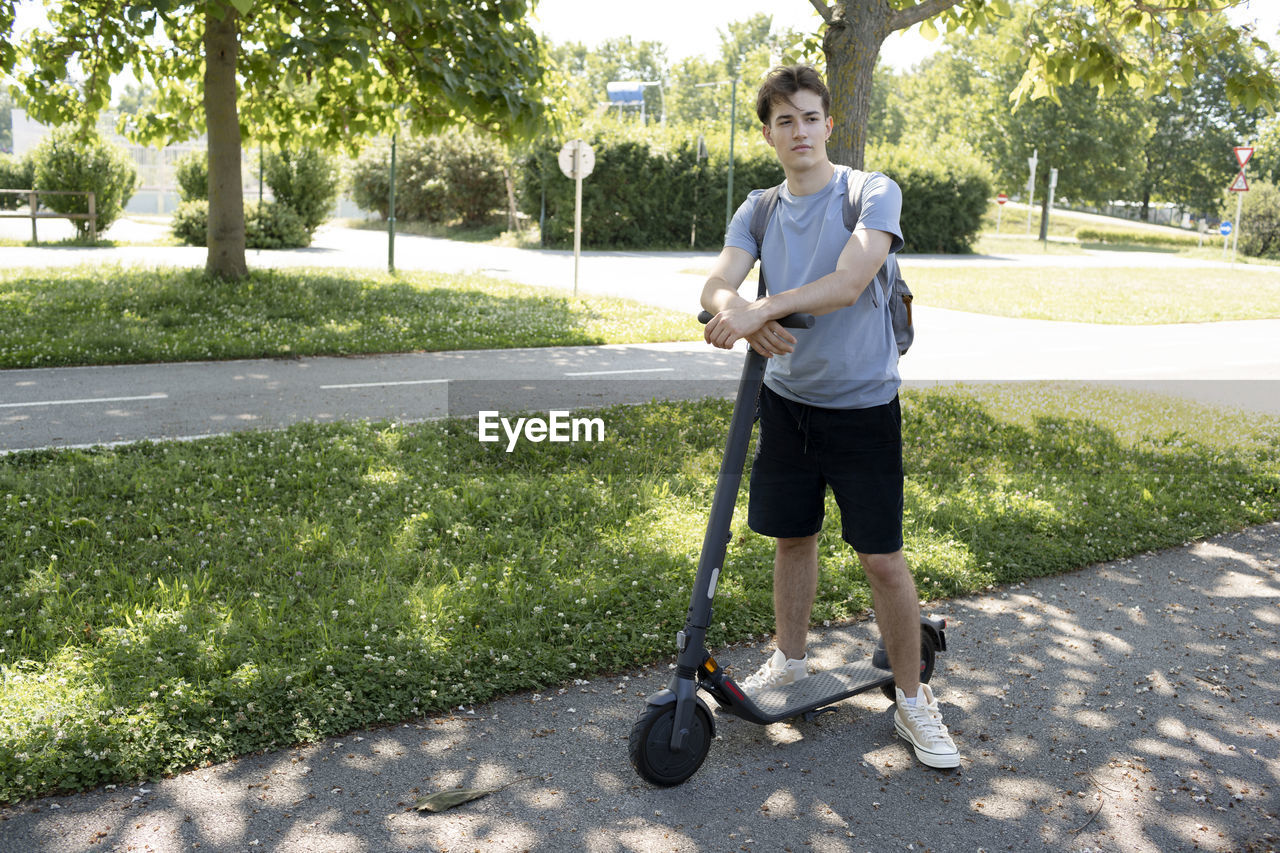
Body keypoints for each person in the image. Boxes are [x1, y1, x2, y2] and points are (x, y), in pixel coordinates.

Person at [699, 64, 959, 770]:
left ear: (828, 125)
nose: (799, 130)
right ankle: (788, 660)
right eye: (784, 121)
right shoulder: (759, 207)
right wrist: (739, 315)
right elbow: (717, 283)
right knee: (793, 537)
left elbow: (849, 281)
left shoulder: (870, 192)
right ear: (769, 134)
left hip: (863, 405)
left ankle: (911, 698)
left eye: (810, 117)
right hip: (787, 401)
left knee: (880, 558)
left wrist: (762, 308)